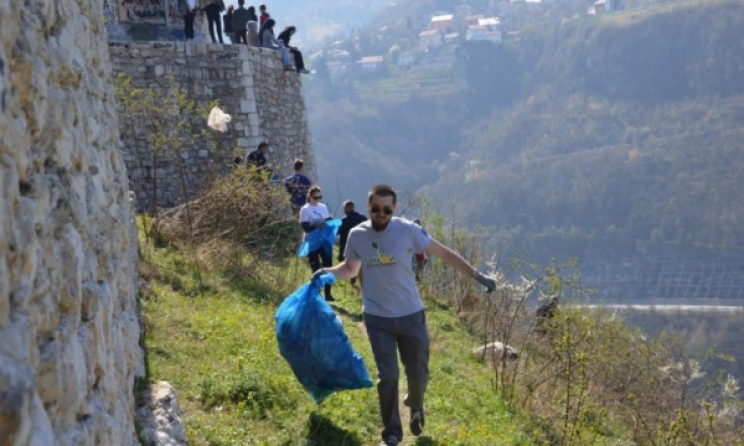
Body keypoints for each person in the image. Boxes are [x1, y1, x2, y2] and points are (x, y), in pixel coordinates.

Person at [311, 184, 496, 446]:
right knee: (388, 376)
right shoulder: (357, 235)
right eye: (376, 209)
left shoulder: (408, 230)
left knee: (418, 373)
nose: (381, 214)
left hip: (411, 314)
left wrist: (477, 275)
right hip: (377, 317)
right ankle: (392, 433)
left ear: (394, 209)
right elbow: (351, 269)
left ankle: (416, 404)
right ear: (369, 207)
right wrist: (327, 272)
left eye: (387, 209)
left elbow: (442, 252)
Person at [300, 186, 335, 302]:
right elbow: (305, 228)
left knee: (328, 266)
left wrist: (330, 220)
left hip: (324, 240)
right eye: (316, 197)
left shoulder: (323, 207)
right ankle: (316, 293)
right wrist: (316, 225)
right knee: (316, 268)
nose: (318, 200)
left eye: (320, 197)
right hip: (311, 242)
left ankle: (328, 293)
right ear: (310, 196)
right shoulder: (305, 209)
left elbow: (328, 221)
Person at [338, 200, 368, 286]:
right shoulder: (363, 218)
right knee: (359, 262)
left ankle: (348, 278)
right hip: (361, 245)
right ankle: (357, 279)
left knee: (344, 261)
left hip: (346, 245)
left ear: (347, 208)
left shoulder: (344, 220)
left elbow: (337, 232)